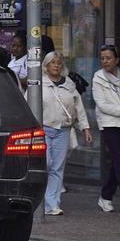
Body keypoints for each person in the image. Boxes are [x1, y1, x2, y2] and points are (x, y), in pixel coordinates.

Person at [40, 52, 93, 216]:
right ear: (46, 66)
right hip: (44, 129)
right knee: (46, 164)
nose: (56, 65)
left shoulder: (69, 84)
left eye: (59, 63)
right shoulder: (39, 84)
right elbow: (30, 105)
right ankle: (41, 200)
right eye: (53, 63)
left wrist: (85, 128)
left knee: (57, 168)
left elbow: (79, 107)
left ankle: (52, 205)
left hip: (63, 130)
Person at [92, 44, 120, 213]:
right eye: (102, 58)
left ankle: (106, 196)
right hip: (109, 124)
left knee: (116, 163)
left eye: (108, 58)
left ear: (116, 60)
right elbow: (102, 105)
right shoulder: (98, 78)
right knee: (119, 159)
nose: (105, 61)